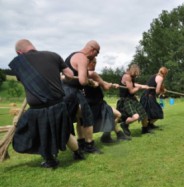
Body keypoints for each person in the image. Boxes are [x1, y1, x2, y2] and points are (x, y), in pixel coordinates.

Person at [8, 39, 84, 169]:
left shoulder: (19, 63)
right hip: (58, 104)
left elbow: (25, 82)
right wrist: (57, 75)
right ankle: (78, 153)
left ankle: (50, 161)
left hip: (38, 108)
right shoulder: (53, 55)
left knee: (41, 134)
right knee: (64, 131)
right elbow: (70, 75)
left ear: (20, 53)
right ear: (33, 46)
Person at [62, 40, 101, 153]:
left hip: (64, 90)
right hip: (73, 91)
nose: (95, 56)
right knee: (87, 116)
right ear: (93, 50)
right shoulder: (82, 58)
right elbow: (83, 81)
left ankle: (80, 143)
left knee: (78, 117)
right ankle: (89, 145)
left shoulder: (71, 56)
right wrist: (92, 83)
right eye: (97, 53)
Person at [84, 58, 130, 143]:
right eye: (93, 62)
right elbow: (105, 87)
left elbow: (102, 82)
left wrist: (112, 84)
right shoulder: (92, 74)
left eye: (96, 62)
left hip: (98, 102)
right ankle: (107, 135)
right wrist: (109, 85)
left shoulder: (84, 74)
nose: (94, 64)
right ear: (88, 63)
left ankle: (114, 135)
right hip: (94, 104)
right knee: (117, 115)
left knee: (115, 115)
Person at [116, 64, 150, 136]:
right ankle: (124, 124)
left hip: (132, 99)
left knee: (144, 115)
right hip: (126, 100)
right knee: (135, 117)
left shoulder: (130, 77)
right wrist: (140, 88)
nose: (136, 76)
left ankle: (145, 130)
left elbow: (133, 84)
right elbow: (132, 90)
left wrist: (144, 86)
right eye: (135, 74)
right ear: (133, 71)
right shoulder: (127, 76)